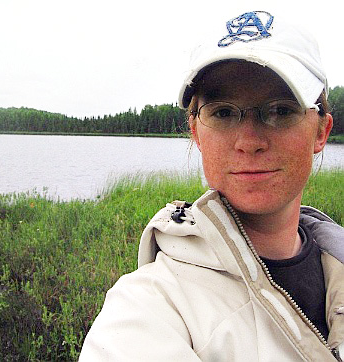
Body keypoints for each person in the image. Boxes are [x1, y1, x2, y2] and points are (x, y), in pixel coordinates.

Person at [80, 11, 344, 361]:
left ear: (321, 131)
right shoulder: (149, 307)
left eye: (280, 110)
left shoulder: (336, 261)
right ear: (196, 133)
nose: (249, 141)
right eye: (223, 112)